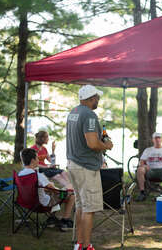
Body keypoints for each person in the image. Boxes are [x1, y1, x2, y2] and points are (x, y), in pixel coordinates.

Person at [66, 85, 113, 250]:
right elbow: (92, 143)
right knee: (89, 208)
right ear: (91, 98)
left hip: (73, 163)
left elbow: (83, 138)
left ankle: (79, 243)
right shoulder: (90, 115)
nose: (98, 100)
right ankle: (86, 246)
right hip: (85, 167)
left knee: (80, 205)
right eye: (97, 98)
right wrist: (106, 146)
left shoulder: (73, 112)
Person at [19, 148, 75, 231]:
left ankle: (51, 219)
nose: (38, 160)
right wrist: (66, 189)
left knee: (53, 194)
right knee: (70, 194)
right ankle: (65, 221)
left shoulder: (20, 174)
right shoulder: (37, 175)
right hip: (43, 204)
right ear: (33, 160)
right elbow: (54, 191)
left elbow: (36, 189)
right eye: (37, 158)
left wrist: (47, 189)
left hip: (27, 202)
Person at [135, 132, 162, 202]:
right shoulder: (148, 150)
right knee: (140, 169)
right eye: (155, 138)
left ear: (161, 139)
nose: (157, 140)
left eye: (159, 138)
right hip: (150, 171)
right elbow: (141, 162)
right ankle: (142, 192)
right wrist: (144, 165)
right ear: (153, 140)